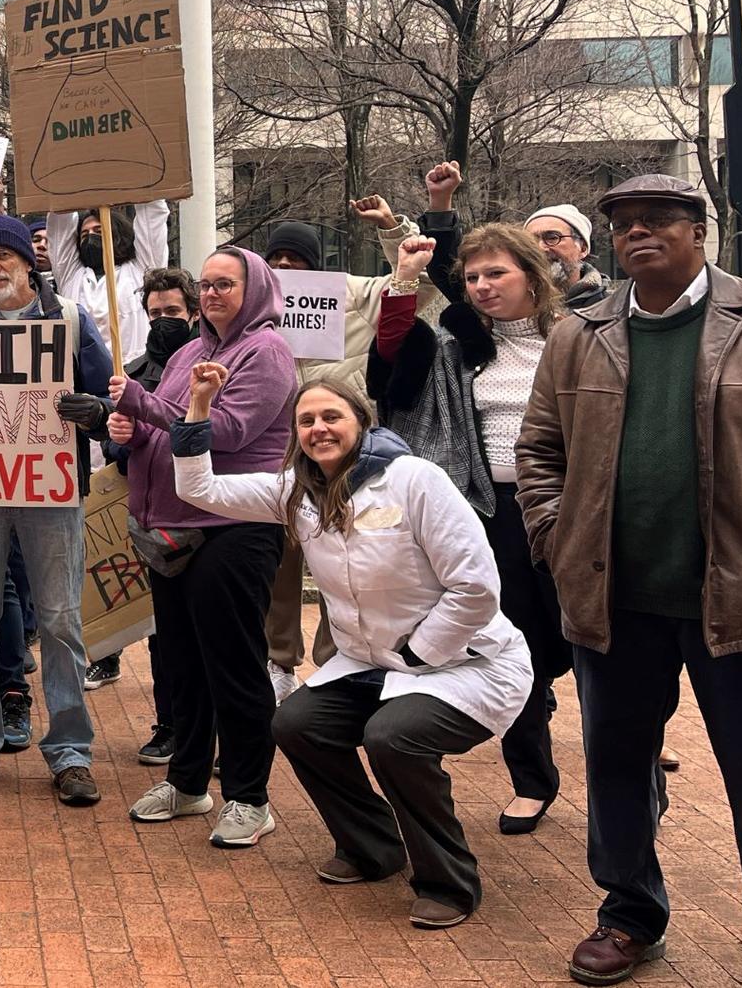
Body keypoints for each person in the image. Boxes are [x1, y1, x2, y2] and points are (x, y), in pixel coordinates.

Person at [516, 174, 742, 988]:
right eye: (624, 224)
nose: (638, 234)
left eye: (658, 220)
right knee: (617, 762)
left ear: (698, 230)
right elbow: (539, 450)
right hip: (613, 597)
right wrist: (557, 536)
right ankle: (630, 915)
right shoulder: (579, 332)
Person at [173, 366, 529, 929]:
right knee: (295, 722)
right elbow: (199, 488)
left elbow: (477, 585)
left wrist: (419, 653)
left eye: (331, 416)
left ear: (362, 421)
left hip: (464, 661)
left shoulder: (415, 480)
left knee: (392, 738)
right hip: (371, 664)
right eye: (306, 419)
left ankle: (449, 881)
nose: (319, 428)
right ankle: (373, 847)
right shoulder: (296, 491)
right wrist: (198, 405)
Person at [368, 221, 569, 835]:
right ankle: (533, 779)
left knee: (604, 649)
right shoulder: (458, 346)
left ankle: (638, 771)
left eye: (496, 273)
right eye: (473, 277)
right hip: (496, 515)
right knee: (523, 646)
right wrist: (403, 282)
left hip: (578, 511)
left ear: (533, 275)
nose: (482, 287)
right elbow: (390, 375)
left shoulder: (578, 339)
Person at [107, 245, 296, 849]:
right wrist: (131, 430)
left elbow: (230, 430)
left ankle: (250, 796)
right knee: (183, 664)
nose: (212, 294)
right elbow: (169, 422)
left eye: (226, 284)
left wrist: (141, 404)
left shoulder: (265, 352)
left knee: (234, 665)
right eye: (207, 284)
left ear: (256, 288)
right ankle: (188, 782)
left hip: (232, 528)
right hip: (173, 526)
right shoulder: (191, 350)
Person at [0, 215, 114, 806]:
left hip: (51, 492)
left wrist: (91, 413)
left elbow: (109, 402)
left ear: (27, 263)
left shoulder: (71, 322)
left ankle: (70, 751)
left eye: (3, 257)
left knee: (60, 620)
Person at [257, 195, 439, 704]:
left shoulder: (349, 293)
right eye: (277, 259)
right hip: (278, 448)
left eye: (297, 259)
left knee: (345, 555)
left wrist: (392, 229)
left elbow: (412, 288)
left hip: (343, 451)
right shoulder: (256, 307)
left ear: (317, 265)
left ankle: (337, 658)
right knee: (282, 563)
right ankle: (278, 662)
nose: (286, 267)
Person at [86, 266, 199, 762]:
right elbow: (117, 447)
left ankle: (212, 732)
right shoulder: (131, 374)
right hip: (155, 517)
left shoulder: (210, 365)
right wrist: (114, 434)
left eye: (173, 312)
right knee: (163, 631)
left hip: (207, 514)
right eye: (155, 314)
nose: (163, 321)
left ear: (194, 313)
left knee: (212, 629)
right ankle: (171, 724)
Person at [48, 198, 170, 365]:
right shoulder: (72, 276)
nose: (90, 237)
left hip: (134, 373)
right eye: (85, 234)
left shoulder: (141, 271)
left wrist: (145, 178)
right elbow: (60, 224)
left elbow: (152, 221)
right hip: (85, 379)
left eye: (98, 231)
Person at [523, 202, 609, 309]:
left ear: (583, 248)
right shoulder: (508, 305)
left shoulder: (611, 307)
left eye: (552, 238)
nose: (540, 247)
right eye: (531, 241)